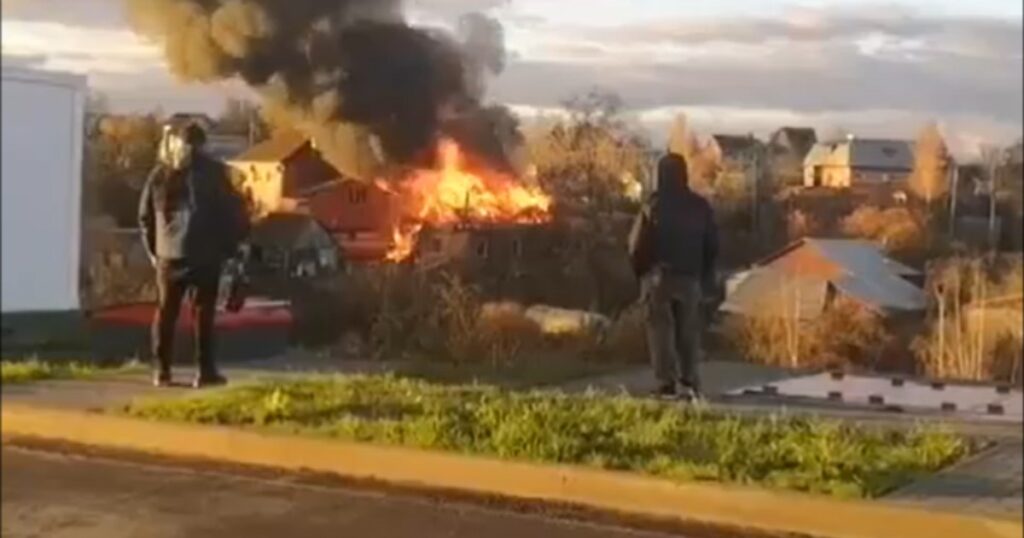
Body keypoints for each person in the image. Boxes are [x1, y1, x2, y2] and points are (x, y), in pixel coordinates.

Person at [139, 121, 250, 388]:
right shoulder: (214, 173)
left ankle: (162, 371)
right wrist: (233, 249)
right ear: (203, 143)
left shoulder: (159, 175)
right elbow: (231, 215)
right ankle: (205, 371)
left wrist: (154, 251)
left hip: (167, 255)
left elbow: (144, 217)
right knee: (203, 315)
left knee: (166, 313)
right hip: (204, 253)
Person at [628, 153, 718, 400]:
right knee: (687, 330)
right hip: (690, 278)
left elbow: (636, 244)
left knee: (659, 331)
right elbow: (712, 245)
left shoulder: (653, 204)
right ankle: (689, 381)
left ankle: (666, 383)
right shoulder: (700, 206)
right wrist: (705, 275)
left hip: (658, 277)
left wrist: (641, 272)